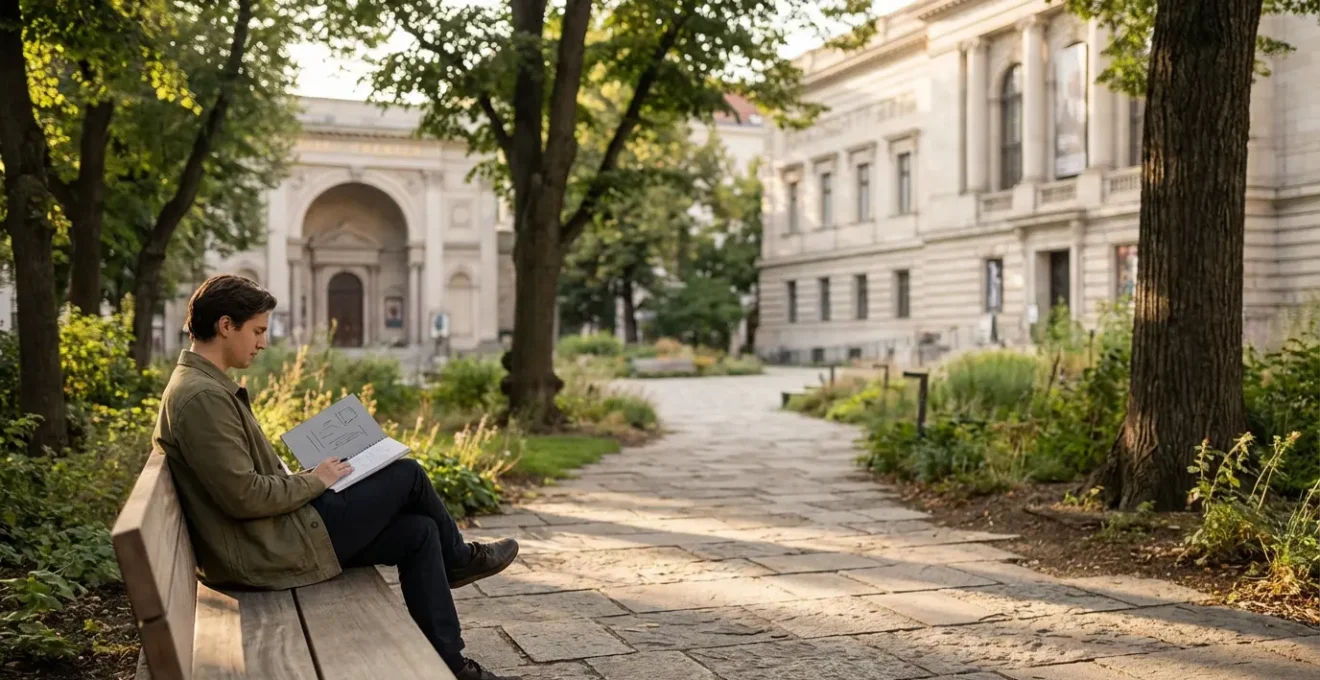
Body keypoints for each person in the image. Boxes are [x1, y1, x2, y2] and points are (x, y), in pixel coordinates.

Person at [152, 274, 520, 680]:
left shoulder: (202, 386)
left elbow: (242, 483)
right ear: (226, 326)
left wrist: (311, 475)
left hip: (275, 535)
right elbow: (244, 496)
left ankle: (451, 664)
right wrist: (318, 480)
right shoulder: (202, 396)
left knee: (419, 534)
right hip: (267, 550)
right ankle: (461, 561)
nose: (263, 343)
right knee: (407, 474)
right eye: (257, 331)